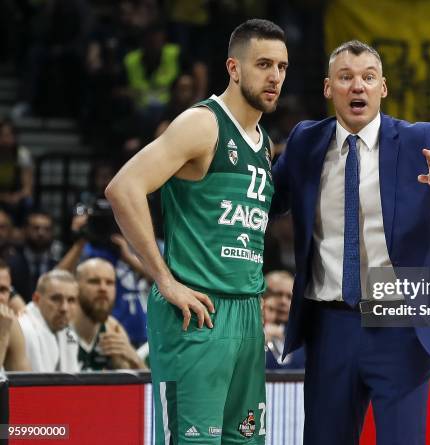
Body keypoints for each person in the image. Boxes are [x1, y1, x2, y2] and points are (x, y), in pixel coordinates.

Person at [272, 40, 430, 445]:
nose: (357, 87)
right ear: (328, 88)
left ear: (383, 88)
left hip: (401, 327)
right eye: (345, 77)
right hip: (330, 326)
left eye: (368, 77)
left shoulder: (419, 140)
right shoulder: (305, 143)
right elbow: (265, 200)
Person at [105, 19, 287, 443]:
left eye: (281, 66)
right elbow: (123, 188)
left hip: (245, 313)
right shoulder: (202, 124)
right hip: (197, 310)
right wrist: (164, 279)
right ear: (234, 68)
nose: (275, 76)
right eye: (263, 64)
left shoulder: (264, 143)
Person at [72, 258, 145, 370]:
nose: (103, 288)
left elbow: (145, 385)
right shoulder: (60, 325)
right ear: (75, 287)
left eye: (109, 282)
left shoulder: (113, 329)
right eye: (94, 281)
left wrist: (134, 359)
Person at [18, 269, 80, 372]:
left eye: (71, 300)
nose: (64, 308)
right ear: (37, 299)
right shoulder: (24, 330)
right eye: (56, 299)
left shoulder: (70, 334)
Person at [7, 210, 60, 301]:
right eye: (36, 228)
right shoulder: (11, 264)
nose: (41, 233)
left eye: (46, 229)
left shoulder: (57, 265)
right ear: (25, 230)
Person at [263, 270, 304, 369]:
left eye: (289, 297)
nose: (283, 301)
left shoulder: (302, 338)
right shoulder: (246, 334)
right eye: (278, 294)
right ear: (263, 297)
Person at [0, 260, 30, 371]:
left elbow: (26, 385)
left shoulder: (9, 323)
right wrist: (2, 338)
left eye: (3, 290)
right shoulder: (5, 328)